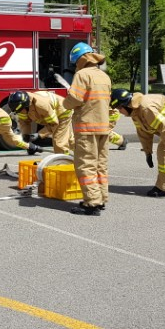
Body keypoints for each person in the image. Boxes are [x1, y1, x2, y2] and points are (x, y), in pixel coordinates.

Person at [62, 42, 112, 216]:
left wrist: (65, 102)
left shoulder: (82, 75)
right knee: (100, 165)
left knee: (86, 165)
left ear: (80, 60)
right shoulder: (104, 76)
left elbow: (74, 99)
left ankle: (91, 203)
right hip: (103, 127)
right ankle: (101, 198)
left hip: (87, 127)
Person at [8, 90, 73, 155]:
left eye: (21, 110)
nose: (20, 113)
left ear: (25, 106)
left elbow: (53, 124)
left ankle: (63, 160)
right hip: (52, 114)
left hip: (63, 112)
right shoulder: (22, 108)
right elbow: (25, 122)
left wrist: (39, 135)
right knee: (68, 138)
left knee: (59, 141)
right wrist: (26, 137)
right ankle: (81, 153)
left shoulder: (41, 105)